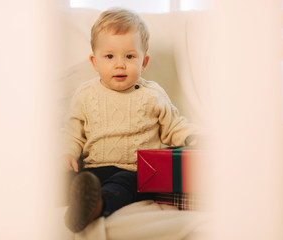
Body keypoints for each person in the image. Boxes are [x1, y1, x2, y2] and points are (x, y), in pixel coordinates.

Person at [61, 7, 199, 233]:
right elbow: (73, 132)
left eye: (129, 56)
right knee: (64, 179)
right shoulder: (85, 94)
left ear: (144, 62)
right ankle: (8, 190)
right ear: (94, 62)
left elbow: (174, 125)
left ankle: (96, 206)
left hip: (136, 172)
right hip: (93, 168)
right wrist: (67, 153)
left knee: (122, 187)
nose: (119, 64)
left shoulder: (152, 94)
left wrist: (192, 137)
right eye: (109, 56)